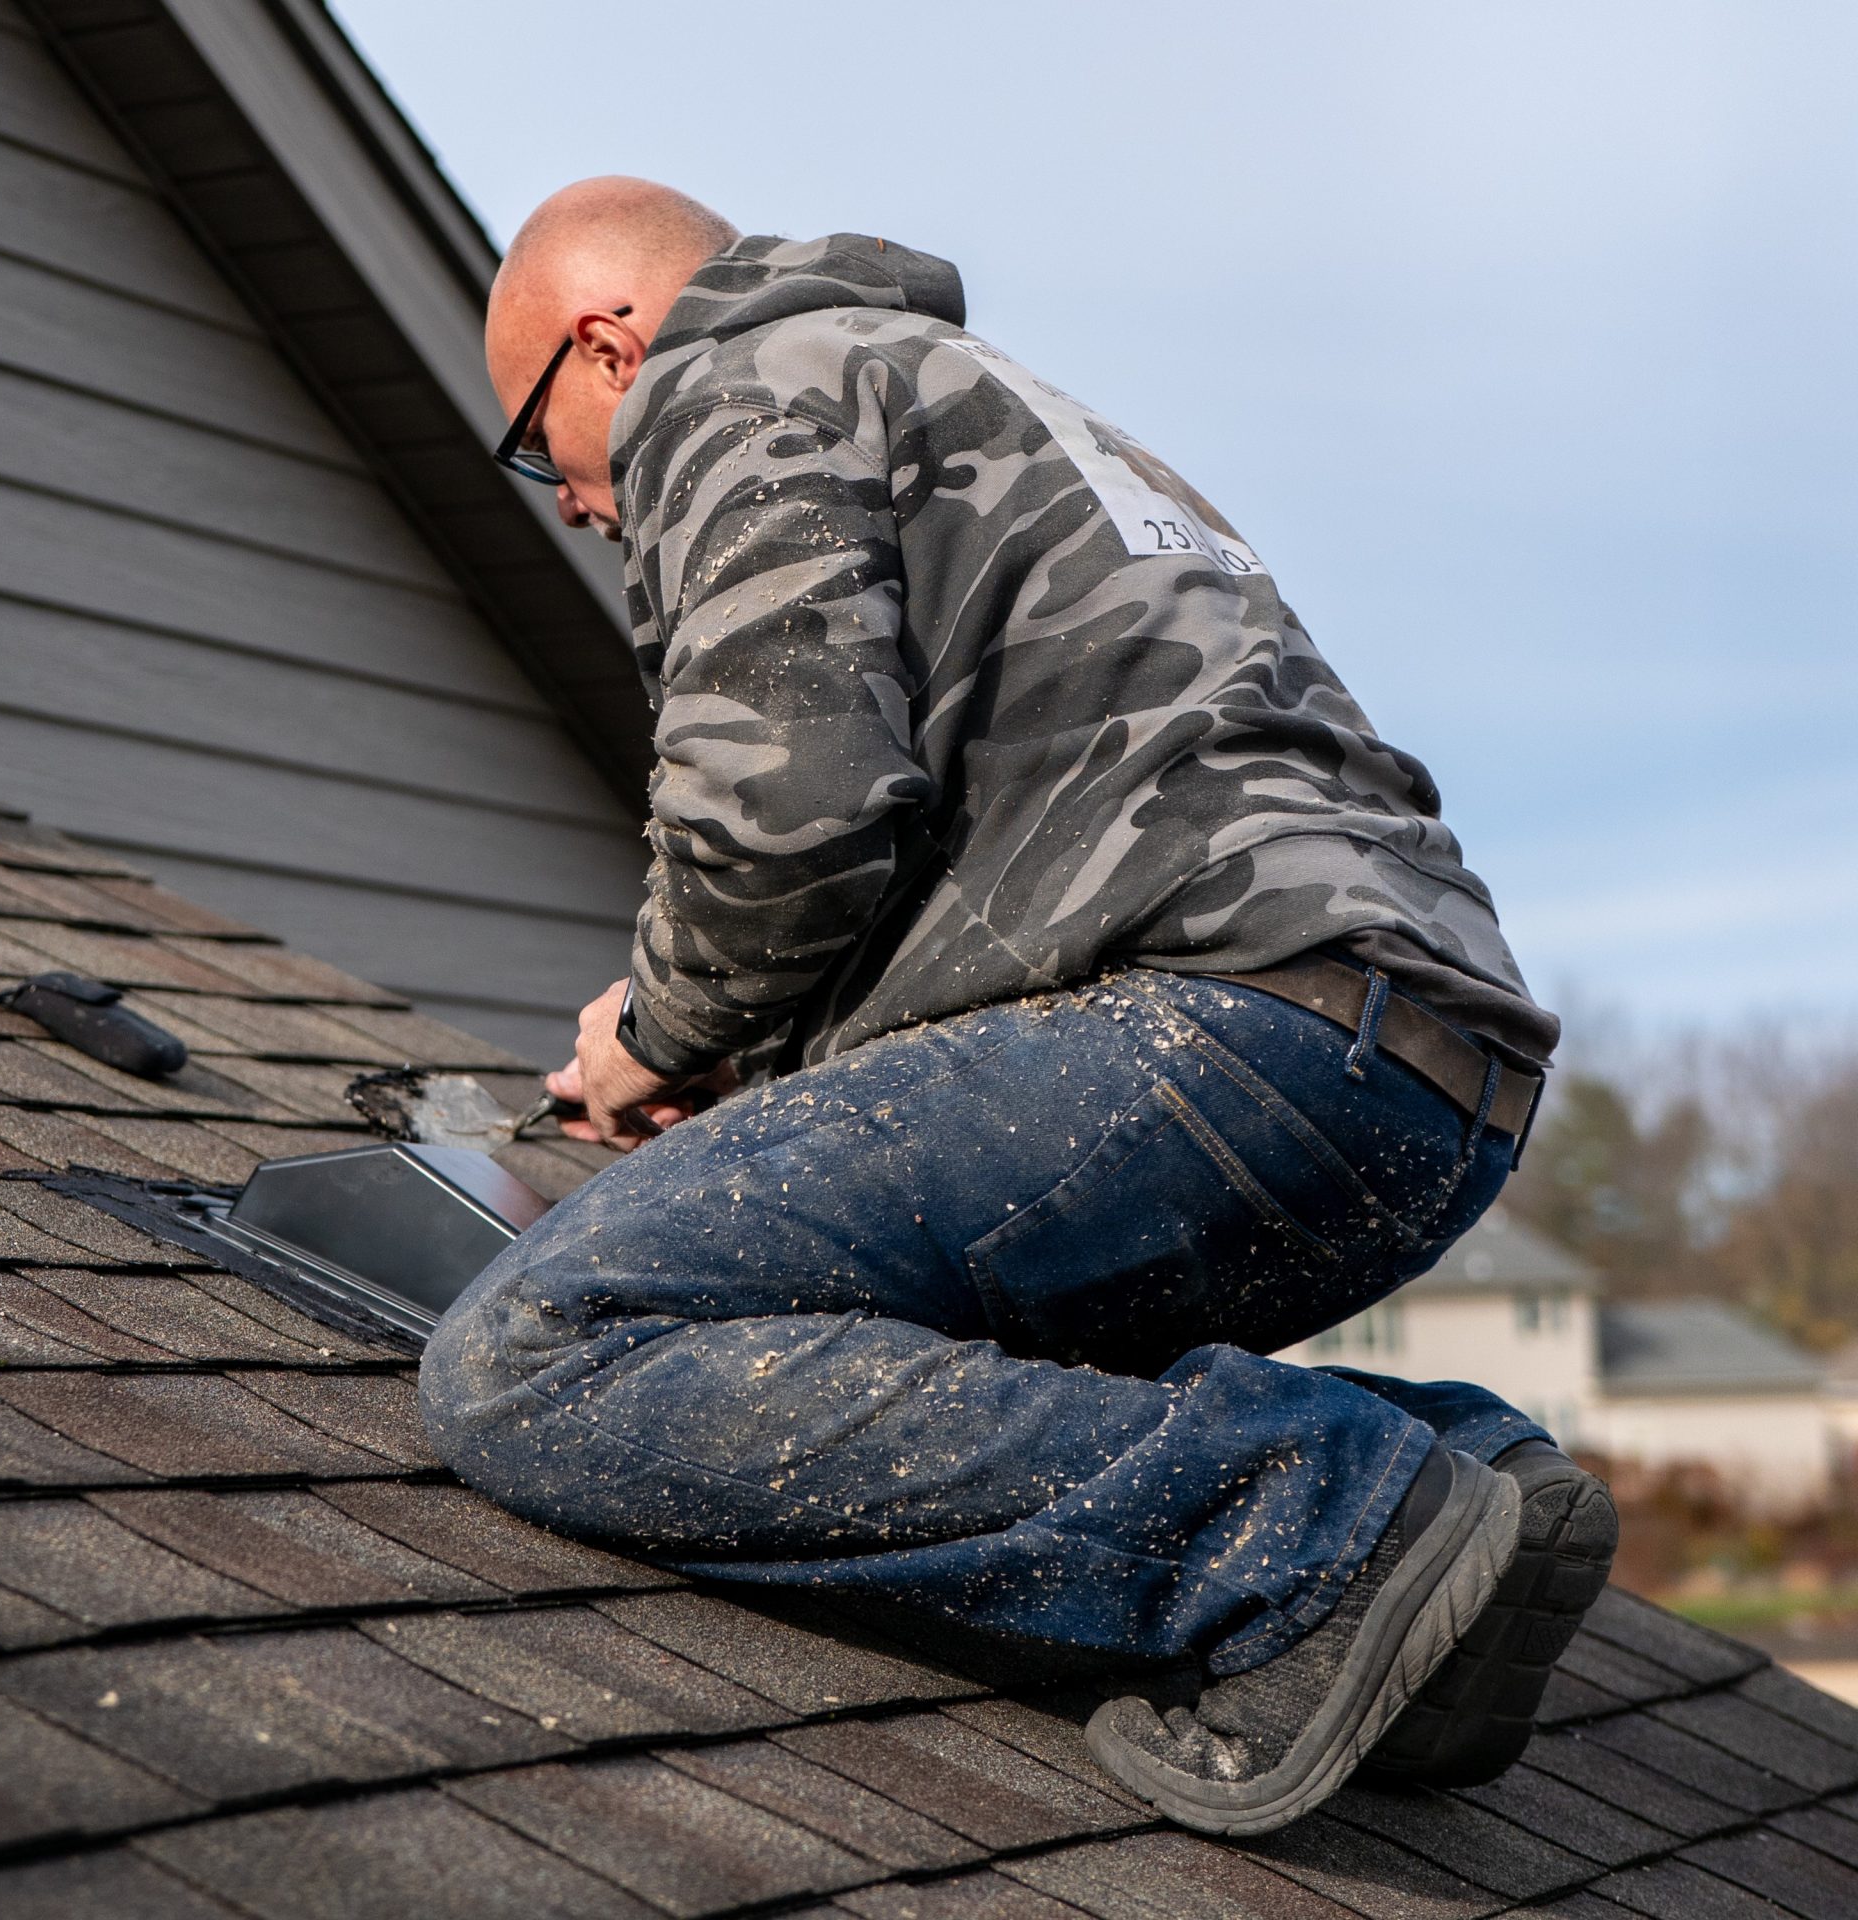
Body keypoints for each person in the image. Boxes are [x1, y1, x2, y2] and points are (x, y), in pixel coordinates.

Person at [418, 177, 1616, 1834]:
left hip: (1220, 1022)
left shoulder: (743, 381)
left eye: (537, 444)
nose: (566, 501)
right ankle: (1465, 1490)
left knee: (545, 1345)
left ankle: (1322, 1526)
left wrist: (659, 1033)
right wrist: (774, 1060)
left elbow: (793, 807)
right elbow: (984, 837)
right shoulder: (993, 406)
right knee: (879, 1327)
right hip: (1420, 1074)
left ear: (606, 346)